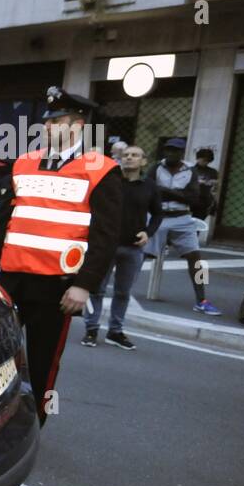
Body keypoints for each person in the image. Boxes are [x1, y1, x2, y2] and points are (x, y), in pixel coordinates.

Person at [0, 86, 122, 426]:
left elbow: (105, 236)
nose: (47, 127)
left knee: (43, 361)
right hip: (12, 278)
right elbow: (5, 217)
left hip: (57, 286)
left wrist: (84, 285)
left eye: (56, 121)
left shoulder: (101, 169)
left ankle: (34, 422)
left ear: (77, 125)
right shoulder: (24, 162)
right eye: (47, 121)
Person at [81, 145, 161, 350]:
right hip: (106, 245)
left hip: (133, 247)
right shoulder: (110, 181)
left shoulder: (149, 186)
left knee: (123, 292)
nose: (129, 158)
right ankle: (91, 330)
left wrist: (148, 232)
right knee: (97, 290)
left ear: (144, 161)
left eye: (135, 155)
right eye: (126, 155)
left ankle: (115, 332)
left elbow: (158, 214)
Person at [147, 138, 220, 315]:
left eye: (176, 150)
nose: (171, 153)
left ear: (182, 153)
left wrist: (165, 191)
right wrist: (179, 194)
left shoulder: (190, 170)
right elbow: (149, 191)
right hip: (158, 217)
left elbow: (193, 198)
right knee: (138, 254)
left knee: (197, 259)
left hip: (182, 218)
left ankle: (202, 300)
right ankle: (120, 293)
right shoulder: (156, 168)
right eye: (169, 150)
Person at [192, 147, 219, 220]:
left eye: (208, 161)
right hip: (191, 199)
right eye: (204, 160)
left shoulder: (212, 171)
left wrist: (212, 183)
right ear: (198, 158)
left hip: (204, 201)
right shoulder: (191, 170)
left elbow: (215, 186)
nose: (205, 162)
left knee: (198, 222)